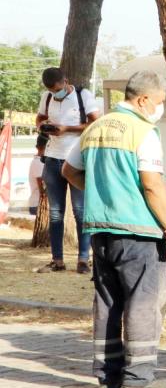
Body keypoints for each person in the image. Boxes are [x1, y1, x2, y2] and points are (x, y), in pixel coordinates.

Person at [61, 70, 166, 388]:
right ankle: (139, 377)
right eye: (159, 102)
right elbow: (152, 184)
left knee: (107, 302)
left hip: (101, 231)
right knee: (143, 302)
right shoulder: (143, 131)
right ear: (143, 99)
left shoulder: (95, 128)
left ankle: (108, 374)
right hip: (138, 231)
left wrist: (101, 193)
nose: (160, 108)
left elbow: (68, 170)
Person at [34, 66, 101, 274]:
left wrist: (67, 129)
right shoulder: (47, 97)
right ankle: (57, 260)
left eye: (57, 89)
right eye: (52, 91)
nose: (55, 94)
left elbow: (95, 123)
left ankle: (83, 259)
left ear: (65, 81)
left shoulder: (83, 96)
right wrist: (44, 125)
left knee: (81, 212)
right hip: (53, 160)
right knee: (55, 214)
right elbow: (39, 119)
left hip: (76, 161)